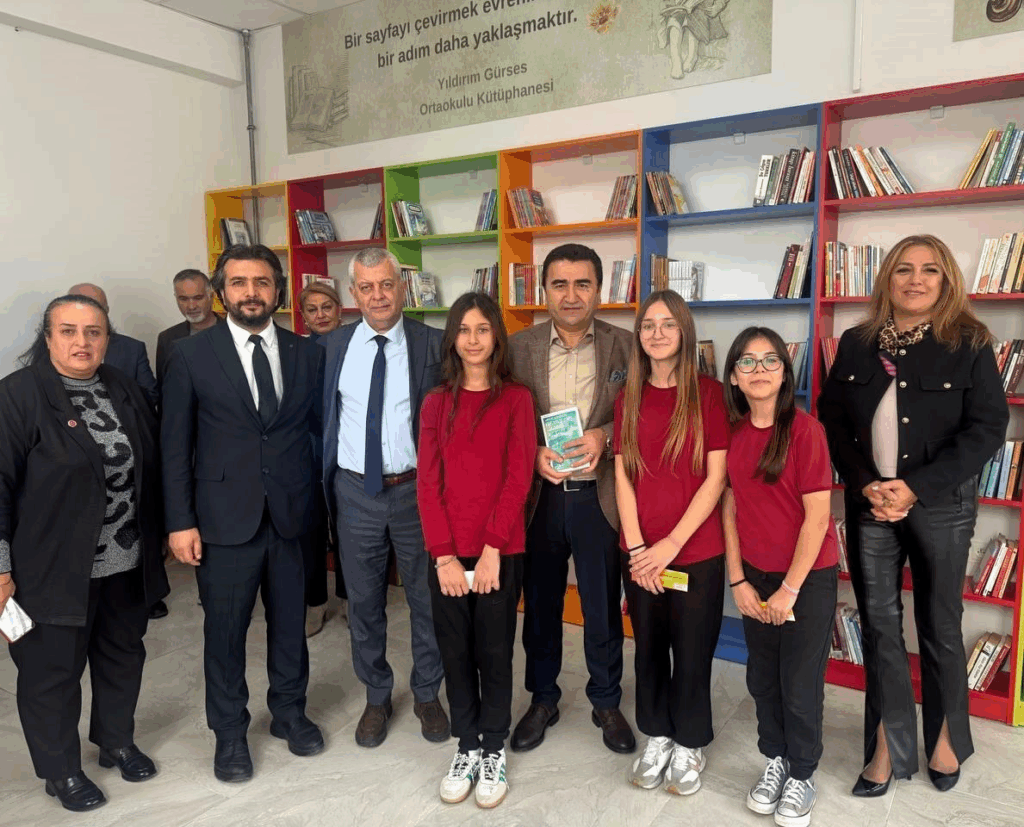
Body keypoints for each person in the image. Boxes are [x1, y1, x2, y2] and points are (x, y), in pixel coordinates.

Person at [817, 234, 1008, 795]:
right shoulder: (856, 343)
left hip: (941, 506)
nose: (915, 279)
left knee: (940, 626)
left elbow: (987, 428)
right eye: (904, 269)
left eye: (929, 270)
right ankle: (886, 744)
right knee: (879, 626)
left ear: (946, 280)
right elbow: (832, 420)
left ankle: (945, 740)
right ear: (888, 279)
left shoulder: (969, 342)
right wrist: (865, 483)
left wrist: (915, 488)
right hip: (870, 504)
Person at [161, 244, 326, 783]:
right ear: (221, 292)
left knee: (290, 626)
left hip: (291, 516)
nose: (250, 293)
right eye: (238, 283)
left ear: (278, 290)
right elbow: (174, 446)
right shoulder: (191, 355)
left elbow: (313, 431)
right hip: (222, 520)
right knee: (226, 633)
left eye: (261, 282)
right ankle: (229, 732)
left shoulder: (305, 352)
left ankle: (289, 712)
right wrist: (180, 521)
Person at [0, 295, 169, 812]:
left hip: (125, 562)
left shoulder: (123, 387)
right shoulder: (17, 395)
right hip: (50, 569)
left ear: (107, 338)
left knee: (122, 656)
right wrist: (0, 569)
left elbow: (150, 465)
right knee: (51, 673)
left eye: (93, 332)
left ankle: (116, 741)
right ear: (48, 337)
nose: (82, 342)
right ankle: (61, 771)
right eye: (68, 331)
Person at [508, 243, 636, 755]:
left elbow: (646, 413)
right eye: (559, 284)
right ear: (544, 290)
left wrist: (606, 435)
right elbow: (502, 417)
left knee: (602, 607)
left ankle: (606, 701)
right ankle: (543, 699)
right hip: (540, 496)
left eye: (583, 283)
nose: (571, 294)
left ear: (599, 290)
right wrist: (530, 452)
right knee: (540, 605)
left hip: (598, 496)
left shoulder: (627, 346)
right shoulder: (516, 348)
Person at [321, 247, 449, 748]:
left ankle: (427, 693)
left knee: (427, 599)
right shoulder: (331, 347)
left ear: (402, 287)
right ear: (354, 293)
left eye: (386, 284)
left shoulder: (433, 344)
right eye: (367, 287)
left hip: (417, 491)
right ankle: (377, 695)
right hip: (355, 491)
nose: (378, 296)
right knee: (363, 602)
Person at [417, 292, 536, 808]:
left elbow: (518, 477)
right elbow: (428, 483)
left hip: (499, 551)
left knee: (494, 651)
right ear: (452, 339)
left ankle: (493, 748)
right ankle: (466, 744)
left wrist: (491, 550)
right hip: (447, 553)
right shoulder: (436, 403)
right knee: (455, 652)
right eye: (463, 330)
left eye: (482, 329)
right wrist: (444, 556)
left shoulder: (517, 400)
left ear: (496, 337)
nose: (473, 339)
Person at [722, 326, 839, 826]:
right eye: (747, 361)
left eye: (770, 360)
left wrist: (789, 590)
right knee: (762, 678)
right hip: (755, 578)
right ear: (733, 376)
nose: (759, 370)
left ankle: (802, 773)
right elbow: (729, 510)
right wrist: (738, 581)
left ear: (785, 374)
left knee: (799, 682)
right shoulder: (733, 435)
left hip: (806, 580)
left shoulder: (806, 431)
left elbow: (818, 518)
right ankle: (775, 759)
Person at [613, 290, 728, 795]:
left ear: (684, 332)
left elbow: (716, 477)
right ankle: (657, 735)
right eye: (648, 325)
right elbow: (622, 476)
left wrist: (670, 546)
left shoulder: (710, 394)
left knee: (693, 651)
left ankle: (690, 742)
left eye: (667, 324)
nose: (656, 333)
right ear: (639, 335)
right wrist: (639, 549)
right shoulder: (628, 396)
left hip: (696, 553)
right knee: (649, 650)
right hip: (639, 555)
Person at [299, 282, 348, 637]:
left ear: (339, 310)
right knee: (311, 533)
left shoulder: (356, 345)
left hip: (348, 454)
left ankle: (349, 600)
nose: (320, 315)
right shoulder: (297, 352)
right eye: (312, 309)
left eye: (326, 307)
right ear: (303, 317)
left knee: (348, 532)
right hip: (309, 454)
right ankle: (315, 603)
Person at [68, 283, 159, 411]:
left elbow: (150, 395)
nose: (89, 315)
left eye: (97, 308)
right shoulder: (54, 347)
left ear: (106, 311)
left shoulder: (132, 348)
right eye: (82, 309)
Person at [155, 269, 220, 384]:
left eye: (198, 298)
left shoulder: (235, 332)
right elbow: (164, 386)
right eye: (183, 299)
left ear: (211, 296)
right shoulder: (167, 339)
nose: (191, 306)